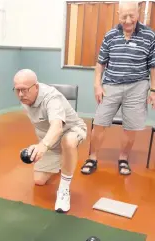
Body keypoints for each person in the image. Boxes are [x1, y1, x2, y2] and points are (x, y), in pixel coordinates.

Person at [81, 1, 155, 176]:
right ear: (117, 14)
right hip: (111, 85)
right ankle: (92, 158)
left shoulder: (149, 36)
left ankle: (123, 159)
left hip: (138, 86)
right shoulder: (110, 35)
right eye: (124, 16)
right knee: (99, 123)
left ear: (138, 13)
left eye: (132, 15)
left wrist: (153, 89)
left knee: (130, 127)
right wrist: (97, 85)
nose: (128, 20)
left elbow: (153, 66)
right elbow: (100, 64)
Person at [13, 69, 87, 213]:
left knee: (69, 141)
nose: (21, 94)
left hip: (72, 131)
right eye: (17, 90)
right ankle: (63, 161)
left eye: (24, 90)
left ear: (36, 86)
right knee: (39, 181)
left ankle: (64, 190)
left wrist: (43, 145)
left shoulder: (51, 98)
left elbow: (57, 126)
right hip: (50, 141)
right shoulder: (25, 99)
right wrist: (41, 146)